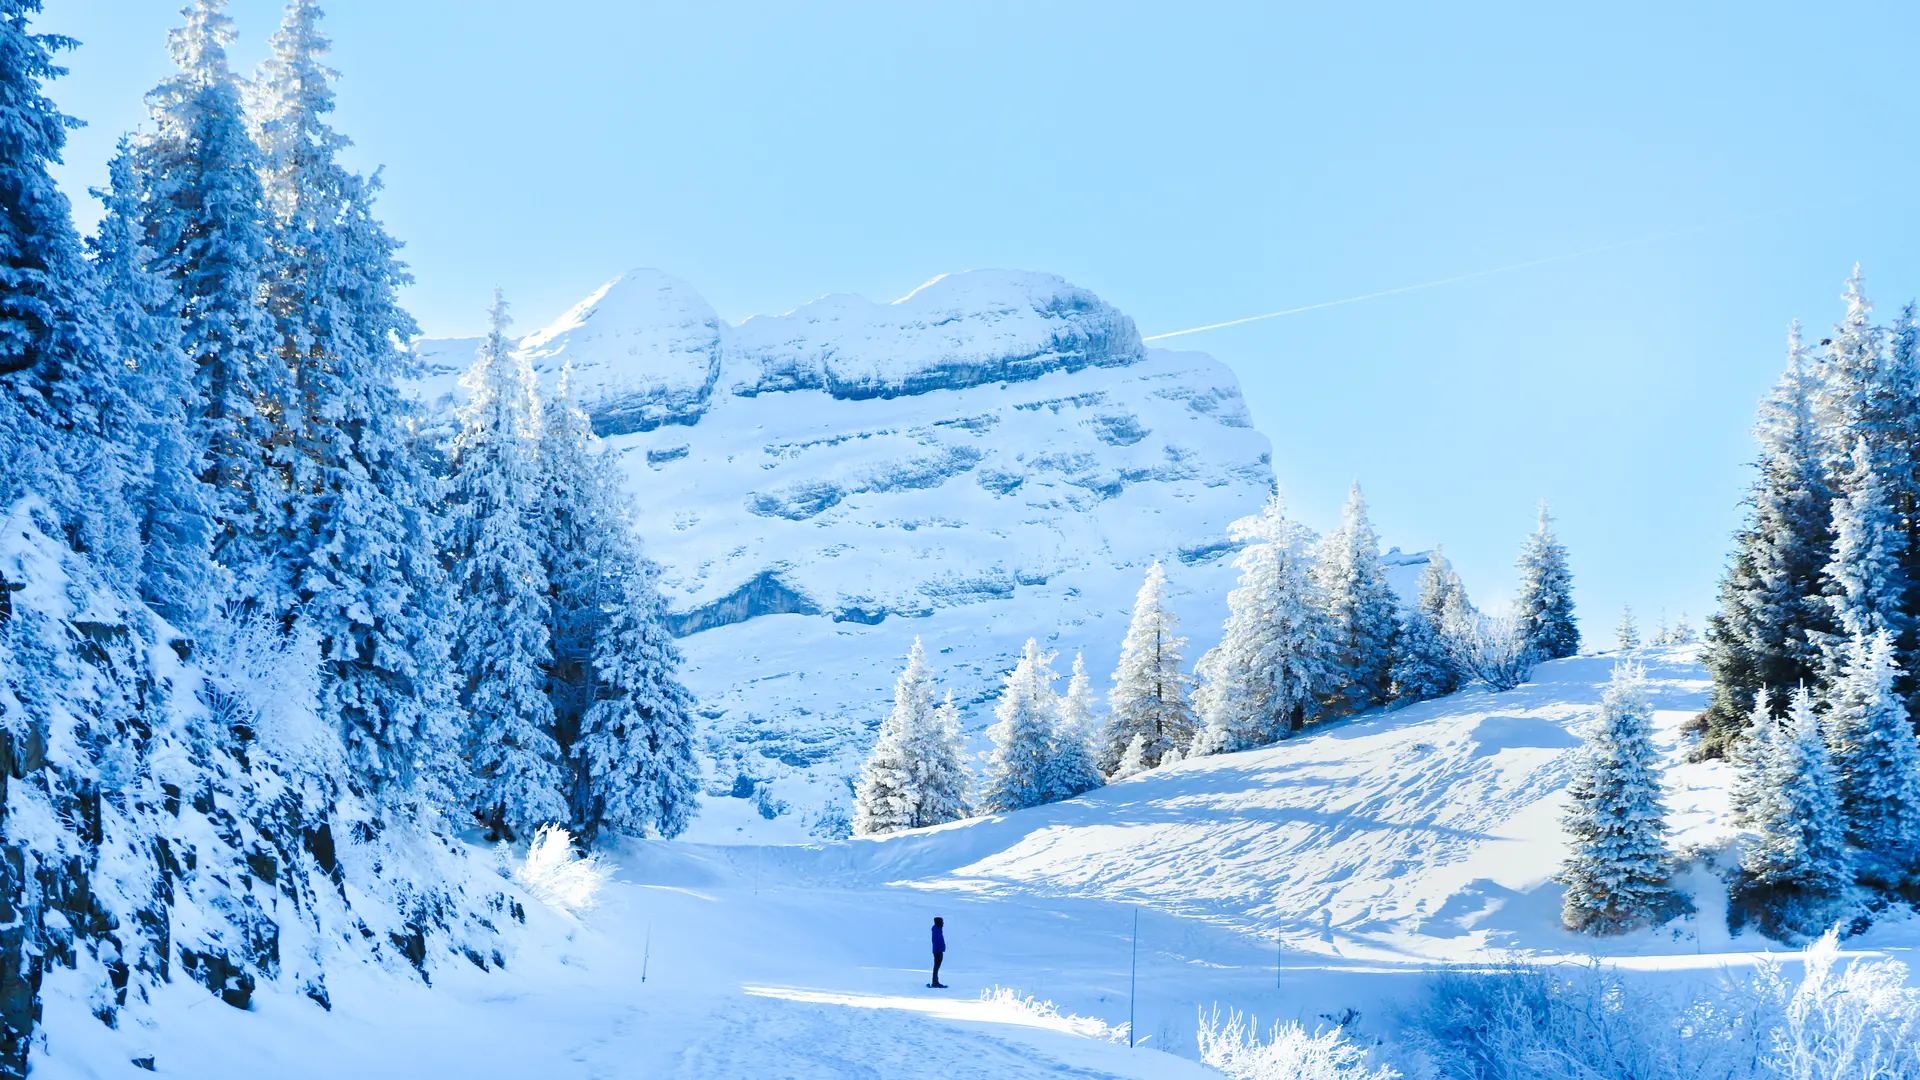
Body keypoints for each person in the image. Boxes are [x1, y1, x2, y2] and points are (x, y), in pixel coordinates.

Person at [929, 916, 947, 988]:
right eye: (942, 922)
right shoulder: (937, 930)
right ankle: (935, 982)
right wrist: (941, 947)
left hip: (938, 949)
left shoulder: (937, 929)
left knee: (937, 966)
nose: (943, 923)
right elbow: (937, 940)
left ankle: (935, 981)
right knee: (936, 966)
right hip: (938, 950)